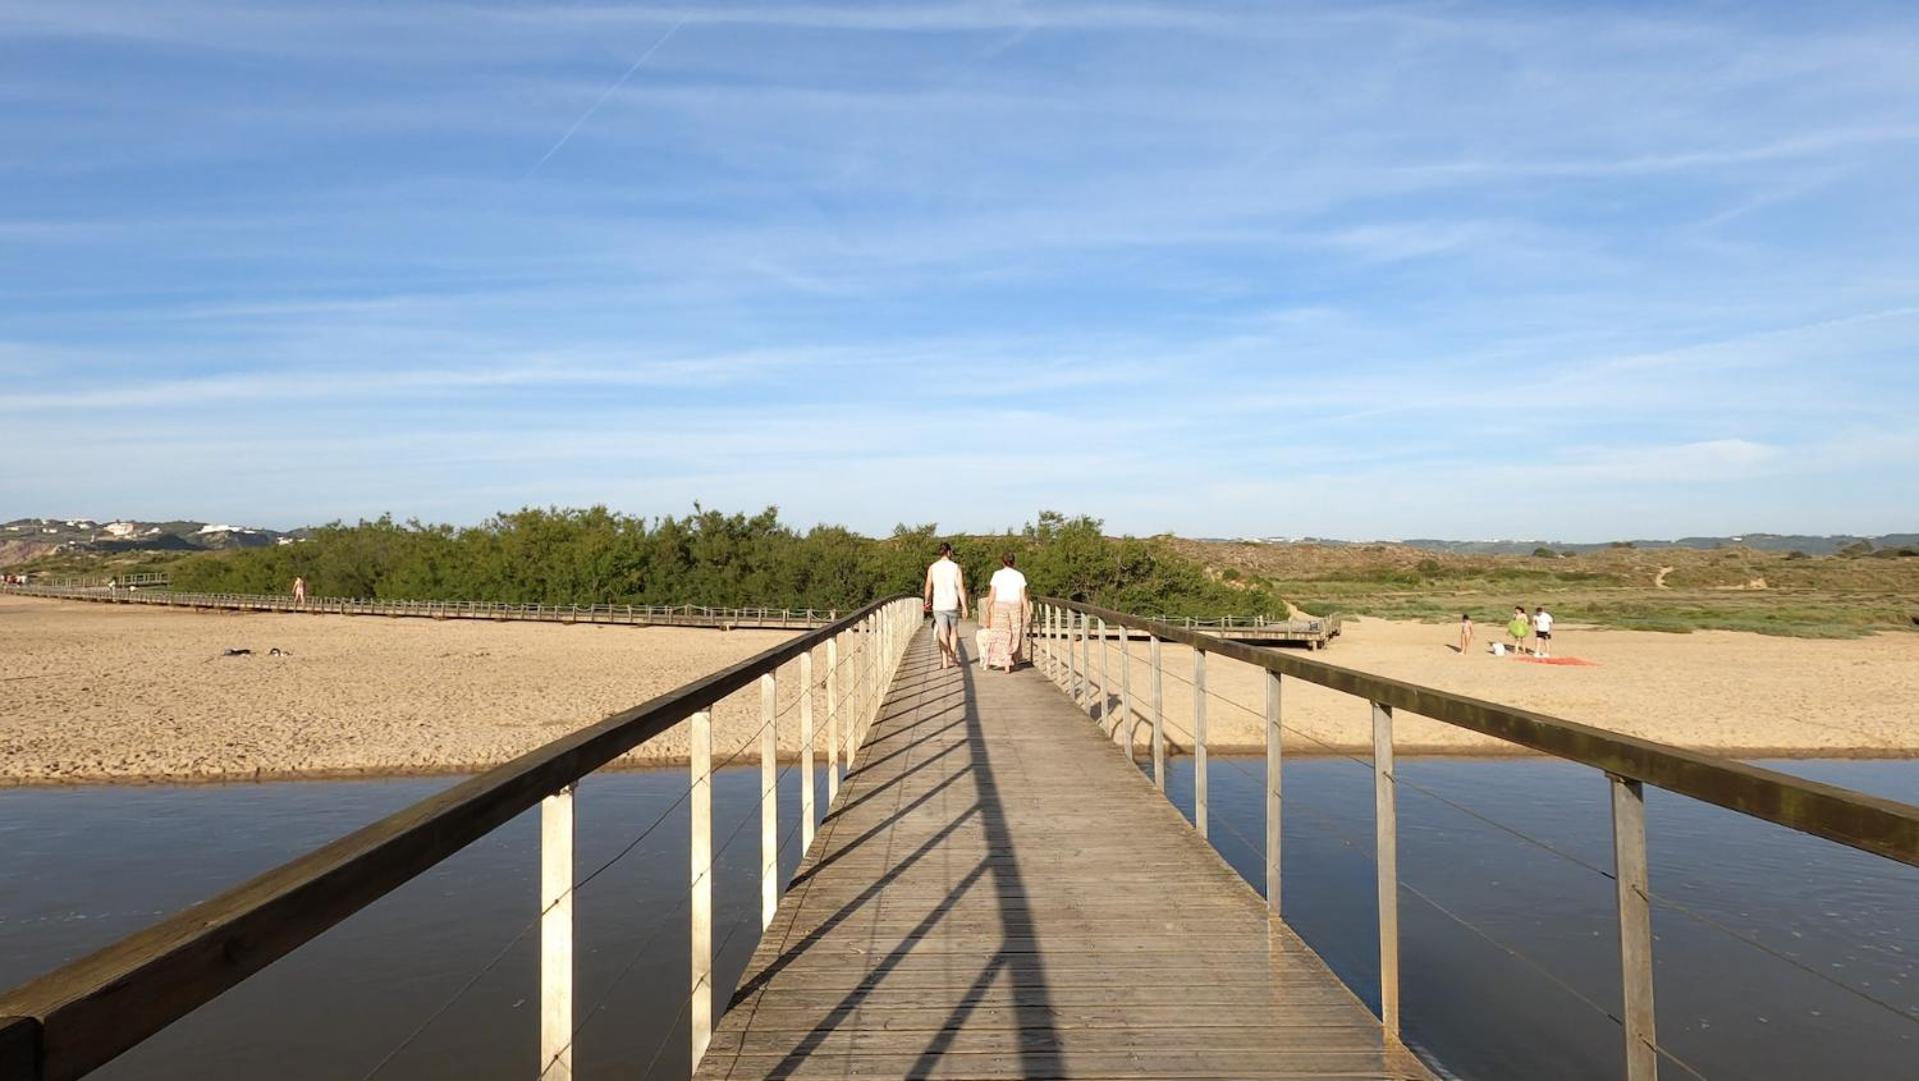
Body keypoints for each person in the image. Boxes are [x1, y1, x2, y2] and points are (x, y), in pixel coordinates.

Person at [922, 545, 968, 669]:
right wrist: (964, 606)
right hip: (952, 603)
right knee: (953, 631)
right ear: (949, 552)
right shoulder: (955, 567)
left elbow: (928, 586)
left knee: (942, 632)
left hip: (938, 604)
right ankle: (953, 657)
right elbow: (960, 588)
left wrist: (926, 601)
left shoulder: (933, 567)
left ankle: (944, 661)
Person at [984, 554, 1030, 672]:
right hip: (1015, 605)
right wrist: (1027, 610)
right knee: (1015, 633)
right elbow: (1023, 596)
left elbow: (992, 593)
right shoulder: (1019, 575)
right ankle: (1013, 660)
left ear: (1002, 562)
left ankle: (1005, 663)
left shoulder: (997, 574)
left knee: (1003, 634)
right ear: (1013, 562)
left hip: (1000, 605)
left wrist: (987, 607)